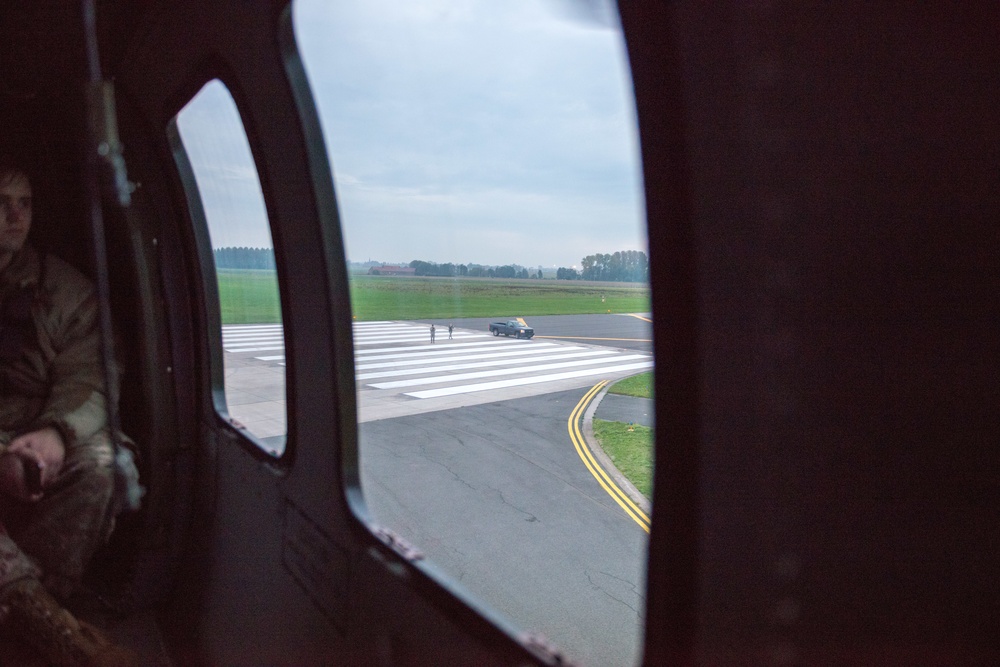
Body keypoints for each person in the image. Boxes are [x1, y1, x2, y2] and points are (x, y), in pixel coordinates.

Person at [0, 157, 139, 666]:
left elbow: (92, 375)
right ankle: (40, 618)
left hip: (40, 427)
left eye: (25, 204)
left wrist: (54, 435)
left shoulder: (66, 291)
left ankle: (33, 597)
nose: (16, 217)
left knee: (105, 469)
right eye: (2, 203)